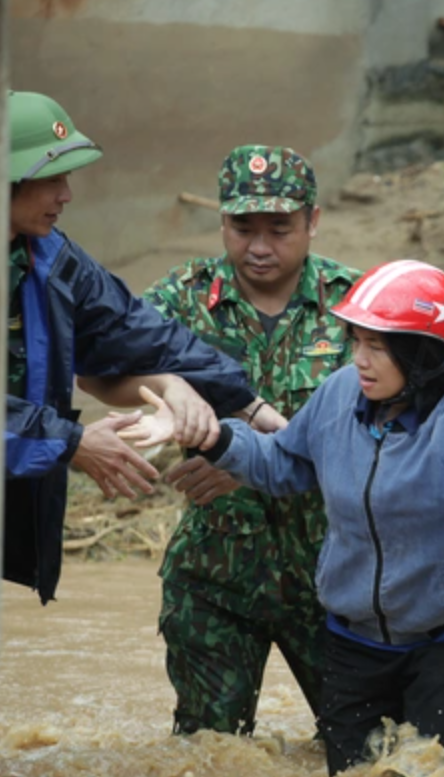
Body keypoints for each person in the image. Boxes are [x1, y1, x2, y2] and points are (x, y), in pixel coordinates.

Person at [169, 259, 444, 774]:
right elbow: (285, 462)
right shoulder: (341, 395)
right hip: (351, 640)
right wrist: (216, 436)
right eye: (356, 340)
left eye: (377, 347)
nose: (359, 359)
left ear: (422, 356)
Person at [5, 90, 279, 606]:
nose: (67, 195)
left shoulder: (48, 255)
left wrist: (242, 400)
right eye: (52, 179)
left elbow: (134, 330)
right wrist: (69, 442)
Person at [141, 145, 362, 736]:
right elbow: (101, 360)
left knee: (365, 749)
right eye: (243, 227)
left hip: (334, 576)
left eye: (279, 228)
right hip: (216, 575)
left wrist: (248, 460)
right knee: (210, 754)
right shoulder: (183, 298)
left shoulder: (357, 306)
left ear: (312, 221)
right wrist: (170, 387)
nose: (259, 246)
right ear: (222, 222)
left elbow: (395, 429)